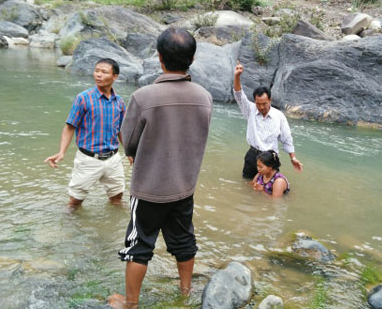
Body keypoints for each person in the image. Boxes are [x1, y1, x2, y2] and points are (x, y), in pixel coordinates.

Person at [108, 27, 213, 308]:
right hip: (184, 186)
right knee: (184, 240)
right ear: (191, 58)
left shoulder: (144, 97)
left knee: (138, 245)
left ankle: (130, 303)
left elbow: (129, 144)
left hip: (149, 189)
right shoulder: (205, 96)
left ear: (159, 58)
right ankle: (185, 292)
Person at [44, 58, 127, 210]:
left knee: (117, 198)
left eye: (104, 72)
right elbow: (70, 126)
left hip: (113, 159)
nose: (98, 75)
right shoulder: (83, 98)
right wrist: (61, 152)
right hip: (88, 159)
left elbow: (121, 129)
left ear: (115, 76)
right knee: (74, 202)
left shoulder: (119, 102)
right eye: (96, 71)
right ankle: (69, 230)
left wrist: (129, 152)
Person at [233, 60, 303, 179]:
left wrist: (293, 158)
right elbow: (239, 95)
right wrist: (237, 76)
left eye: (264, 104)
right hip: (253, 155)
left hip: (270, 158)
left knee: (269, 189)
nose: (261, 107)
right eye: (258, 103)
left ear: (270, 100)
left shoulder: (279, 116)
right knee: (247, 185)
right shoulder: (250, 110)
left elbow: (287, 139)